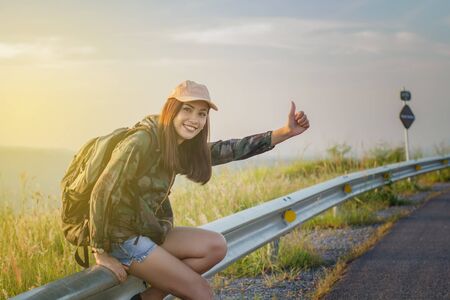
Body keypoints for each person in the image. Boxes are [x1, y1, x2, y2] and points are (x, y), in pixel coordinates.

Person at [91, 80, 310, 300]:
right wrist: (100, 253)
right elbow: (101, 190)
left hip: (147, 230)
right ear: (171, 110)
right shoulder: (141, 141)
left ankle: (148, 298)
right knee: (201, 292)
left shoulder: (179, 146)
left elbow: (230, 149)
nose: (195, 120)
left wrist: (285, 132)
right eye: (187, 110)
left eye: (202, 114)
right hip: (123, 239)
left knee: (216, 246)